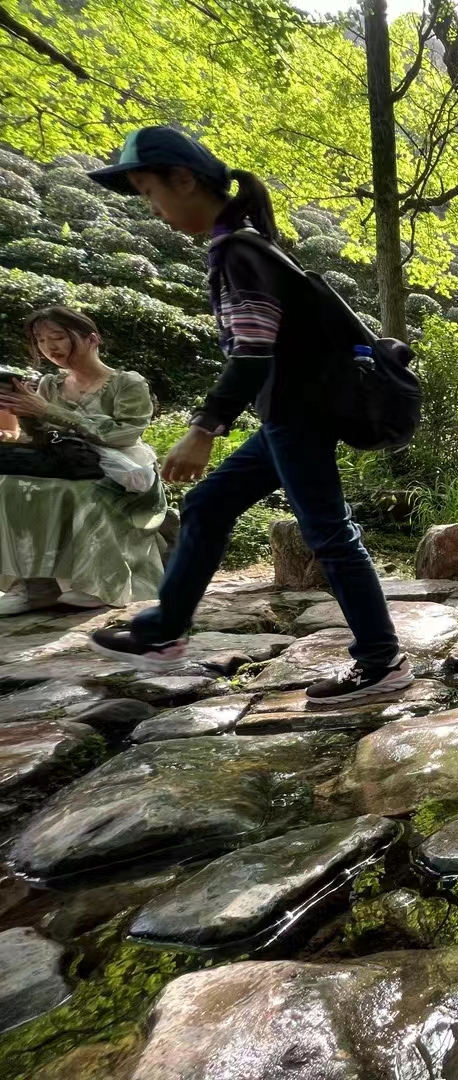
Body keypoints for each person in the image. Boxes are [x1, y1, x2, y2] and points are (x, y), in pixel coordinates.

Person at [83, 127, 411, 704]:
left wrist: (203, 429)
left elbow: (253, 355)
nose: (151, 208)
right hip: (288, 415)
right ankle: (165, 630)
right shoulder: (245, 246)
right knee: (209, 504)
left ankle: (381, 662)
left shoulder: (240, 253)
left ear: (184, 179)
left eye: (149, 191)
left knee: (330, 535)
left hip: (294, 415)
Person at [0, 306, 166, 614]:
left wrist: (49, 411)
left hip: (123, 470)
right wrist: (25, 412)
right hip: (68, 464)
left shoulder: (127, 382)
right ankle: (34, 585)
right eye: (40, 340)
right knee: (9, 484)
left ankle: (101, 583)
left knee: (85, 493)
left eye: (59, 337)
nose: (50, 347)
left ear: (92, 340)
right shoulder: (50, 385)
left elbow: (124, 435)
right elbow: (43, 436)